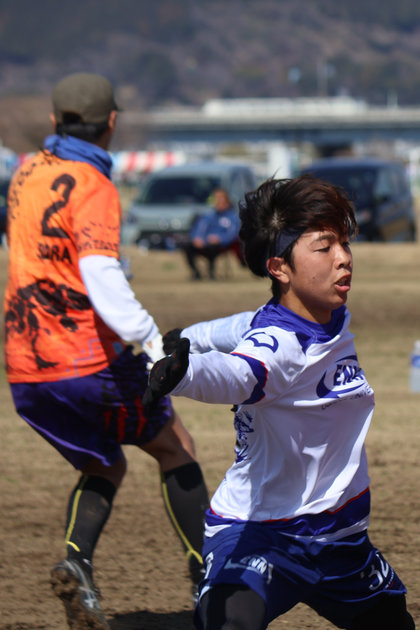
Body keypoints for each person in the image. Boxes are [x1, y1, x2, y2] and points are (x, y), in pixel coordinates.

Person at [143, 174, 415, 630]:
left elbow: (239, 326)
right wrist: (185, 374)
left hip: (339, 539)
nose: (344, 258)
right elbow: (240, 374)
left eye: (345, 243)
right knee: (230, 622)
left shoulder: (324, 315)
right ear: (279, 268)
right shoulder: (280, 345)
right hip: (262, 533)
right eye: (324, 247)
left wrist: (188, 336)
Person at [3, 72, 209, 629]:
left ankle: (77, 565)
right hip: (85, 359)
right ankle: (209, 580)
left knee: (104, 462)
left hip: (25, 366)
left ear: (54, 121)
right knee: (177, 447)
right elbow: (100, 274)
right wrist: (151, 341)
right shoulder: (94, 184)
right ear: (112, 122)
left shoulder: (25, 172)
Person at [183, 187, 241, 280]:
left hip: (220, 245)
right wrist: (197, 238)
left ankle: (211, 272)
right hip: (204, 243)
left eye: (220, 198)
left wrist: (220, 239)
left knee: (212, 247)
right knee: (187, 246)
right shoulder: (207, 216)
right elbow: (198, 229)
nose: (218, 201)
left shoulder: (232, 217)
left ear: (227, 201)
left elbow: (233, 234)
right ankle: (196, 272)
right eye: (216, 198)